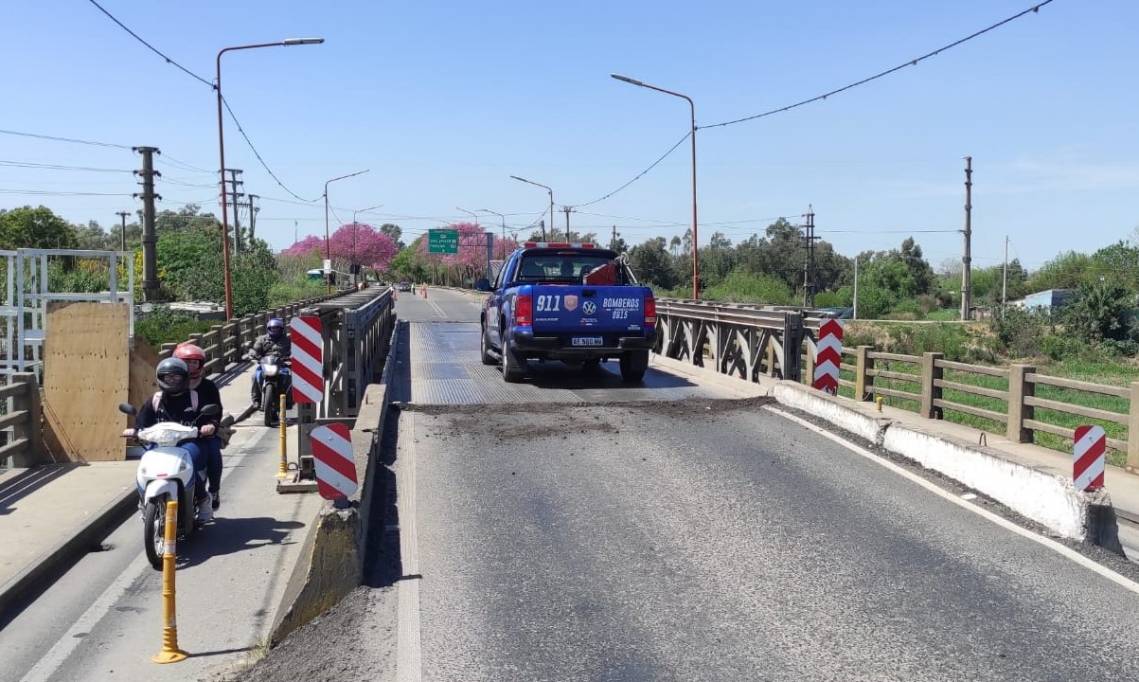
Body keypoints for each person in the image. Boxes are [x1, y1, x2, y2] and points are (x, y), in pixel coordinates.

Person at [127, 358, 218, 520]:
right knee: (146, 467)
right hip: (161, 444)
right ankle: (144, 502)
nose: (172, 380)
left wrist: (209, 426)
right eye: (167, 377)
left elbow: (210, 418)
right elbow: (142, 422)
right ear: (160, 378)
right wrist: (134, 431)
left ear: (184, 377)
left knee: (188, 465)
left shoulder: (195, 398)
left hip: (189, 443)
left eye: (176, 377)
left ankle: (203, 499)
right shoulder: (155, 400)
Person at [174, 343, 223, 510]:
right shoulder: (168, 387)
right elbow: (153, 409)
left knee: (213, 453)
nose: (191, 366)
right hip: (173, 436)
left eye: (195, 362)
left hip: (201, 434)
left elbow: (217, 411)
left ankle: (214, 490)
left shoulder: (208, 386)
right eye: (187, 362)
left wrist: (211, 425)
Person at [249, 317, 292, 407]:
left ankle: (288, 399)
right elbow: (254, 350)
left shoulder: (287, 340)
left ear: (281, 329)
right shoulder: (262, 339)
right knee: (255, 376)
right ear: (269, 329)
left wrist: (291, 358)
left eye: (277, 328)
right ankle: (256, 400)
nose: (275, 330)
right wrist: (256, 356)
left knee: (289, 376)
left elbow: (294, 350)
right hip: (265, 364)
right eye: (273, 328)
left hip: (282, 365)